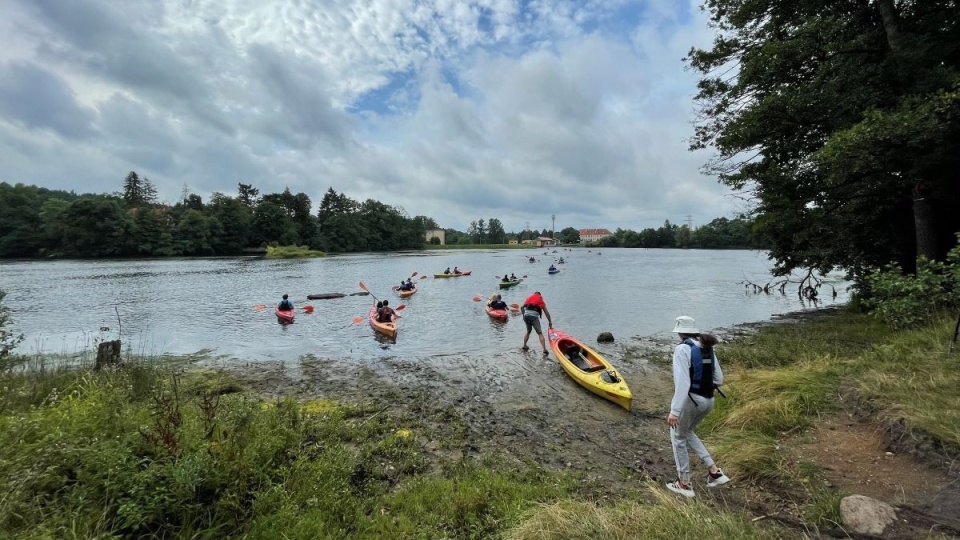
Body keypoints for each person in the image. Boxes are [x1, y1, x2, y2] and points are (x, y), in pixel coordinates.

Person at [665, 316, 729, 498]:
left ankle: (683, 483)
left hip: (691, 401)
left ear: (679, 332)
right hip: (708, 401)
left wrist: (674, 411)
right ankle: (715, 471)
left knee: (677, 436)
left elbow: (682, 384)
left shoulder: (682, 349)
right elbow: (719, 379)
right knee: (687, 432)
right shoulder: (707, 347)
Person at [520, 291, 552, 356]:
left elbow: (521, 307)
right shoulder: (541, 300)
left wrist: (524, 315)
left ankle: (524, 345)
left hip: (526, 316)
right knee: (540, 333)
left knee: (528, 331)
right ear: (540, 295)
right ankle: (544, 349)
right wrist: (550, 322)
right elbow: (546, 313)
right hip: (534, 317)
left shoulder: (529, 298)